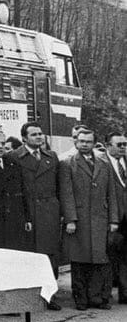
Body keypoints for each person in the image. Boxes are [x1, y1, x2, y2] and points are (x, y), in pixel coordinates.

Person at [59, 127, 120, 310]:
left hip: (100, 220)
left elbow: (111, 194)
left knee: (99, 261)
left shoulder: (104, 164)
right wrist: (70, 219)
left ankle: (96, 298)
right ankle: (81, 299)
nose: (84, 144)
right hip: (80, 221)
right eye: (81, 141)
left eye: (88, 141)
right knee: (79, 261)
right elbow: (66, 193)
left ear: (94, 143)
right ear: (76, 142)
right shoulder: (68, 164)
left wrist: (113, 220)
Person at [11, 122, 63, 310]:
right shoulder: (15, 157)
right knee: (30, 255)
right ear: (24, 138)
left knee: (50, 255)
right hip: (28, 212)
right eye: (34, 135)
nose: (39, 137)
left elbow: (59, 187)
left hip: (50, 212)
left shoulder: (52, 157)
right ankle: (29, 296)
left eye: (40, 134)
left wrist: (61, 212)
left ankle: (50, 295)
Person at [98, 131, 127, 303]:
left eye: (125, 144)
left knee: (125, 258)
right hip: (111, 217)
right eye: (120, 145)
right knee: (109, 257)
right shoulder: (101, 162)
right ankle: (105, 294)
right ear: (108, 145)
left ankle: (125, 294)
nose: (124, 148)